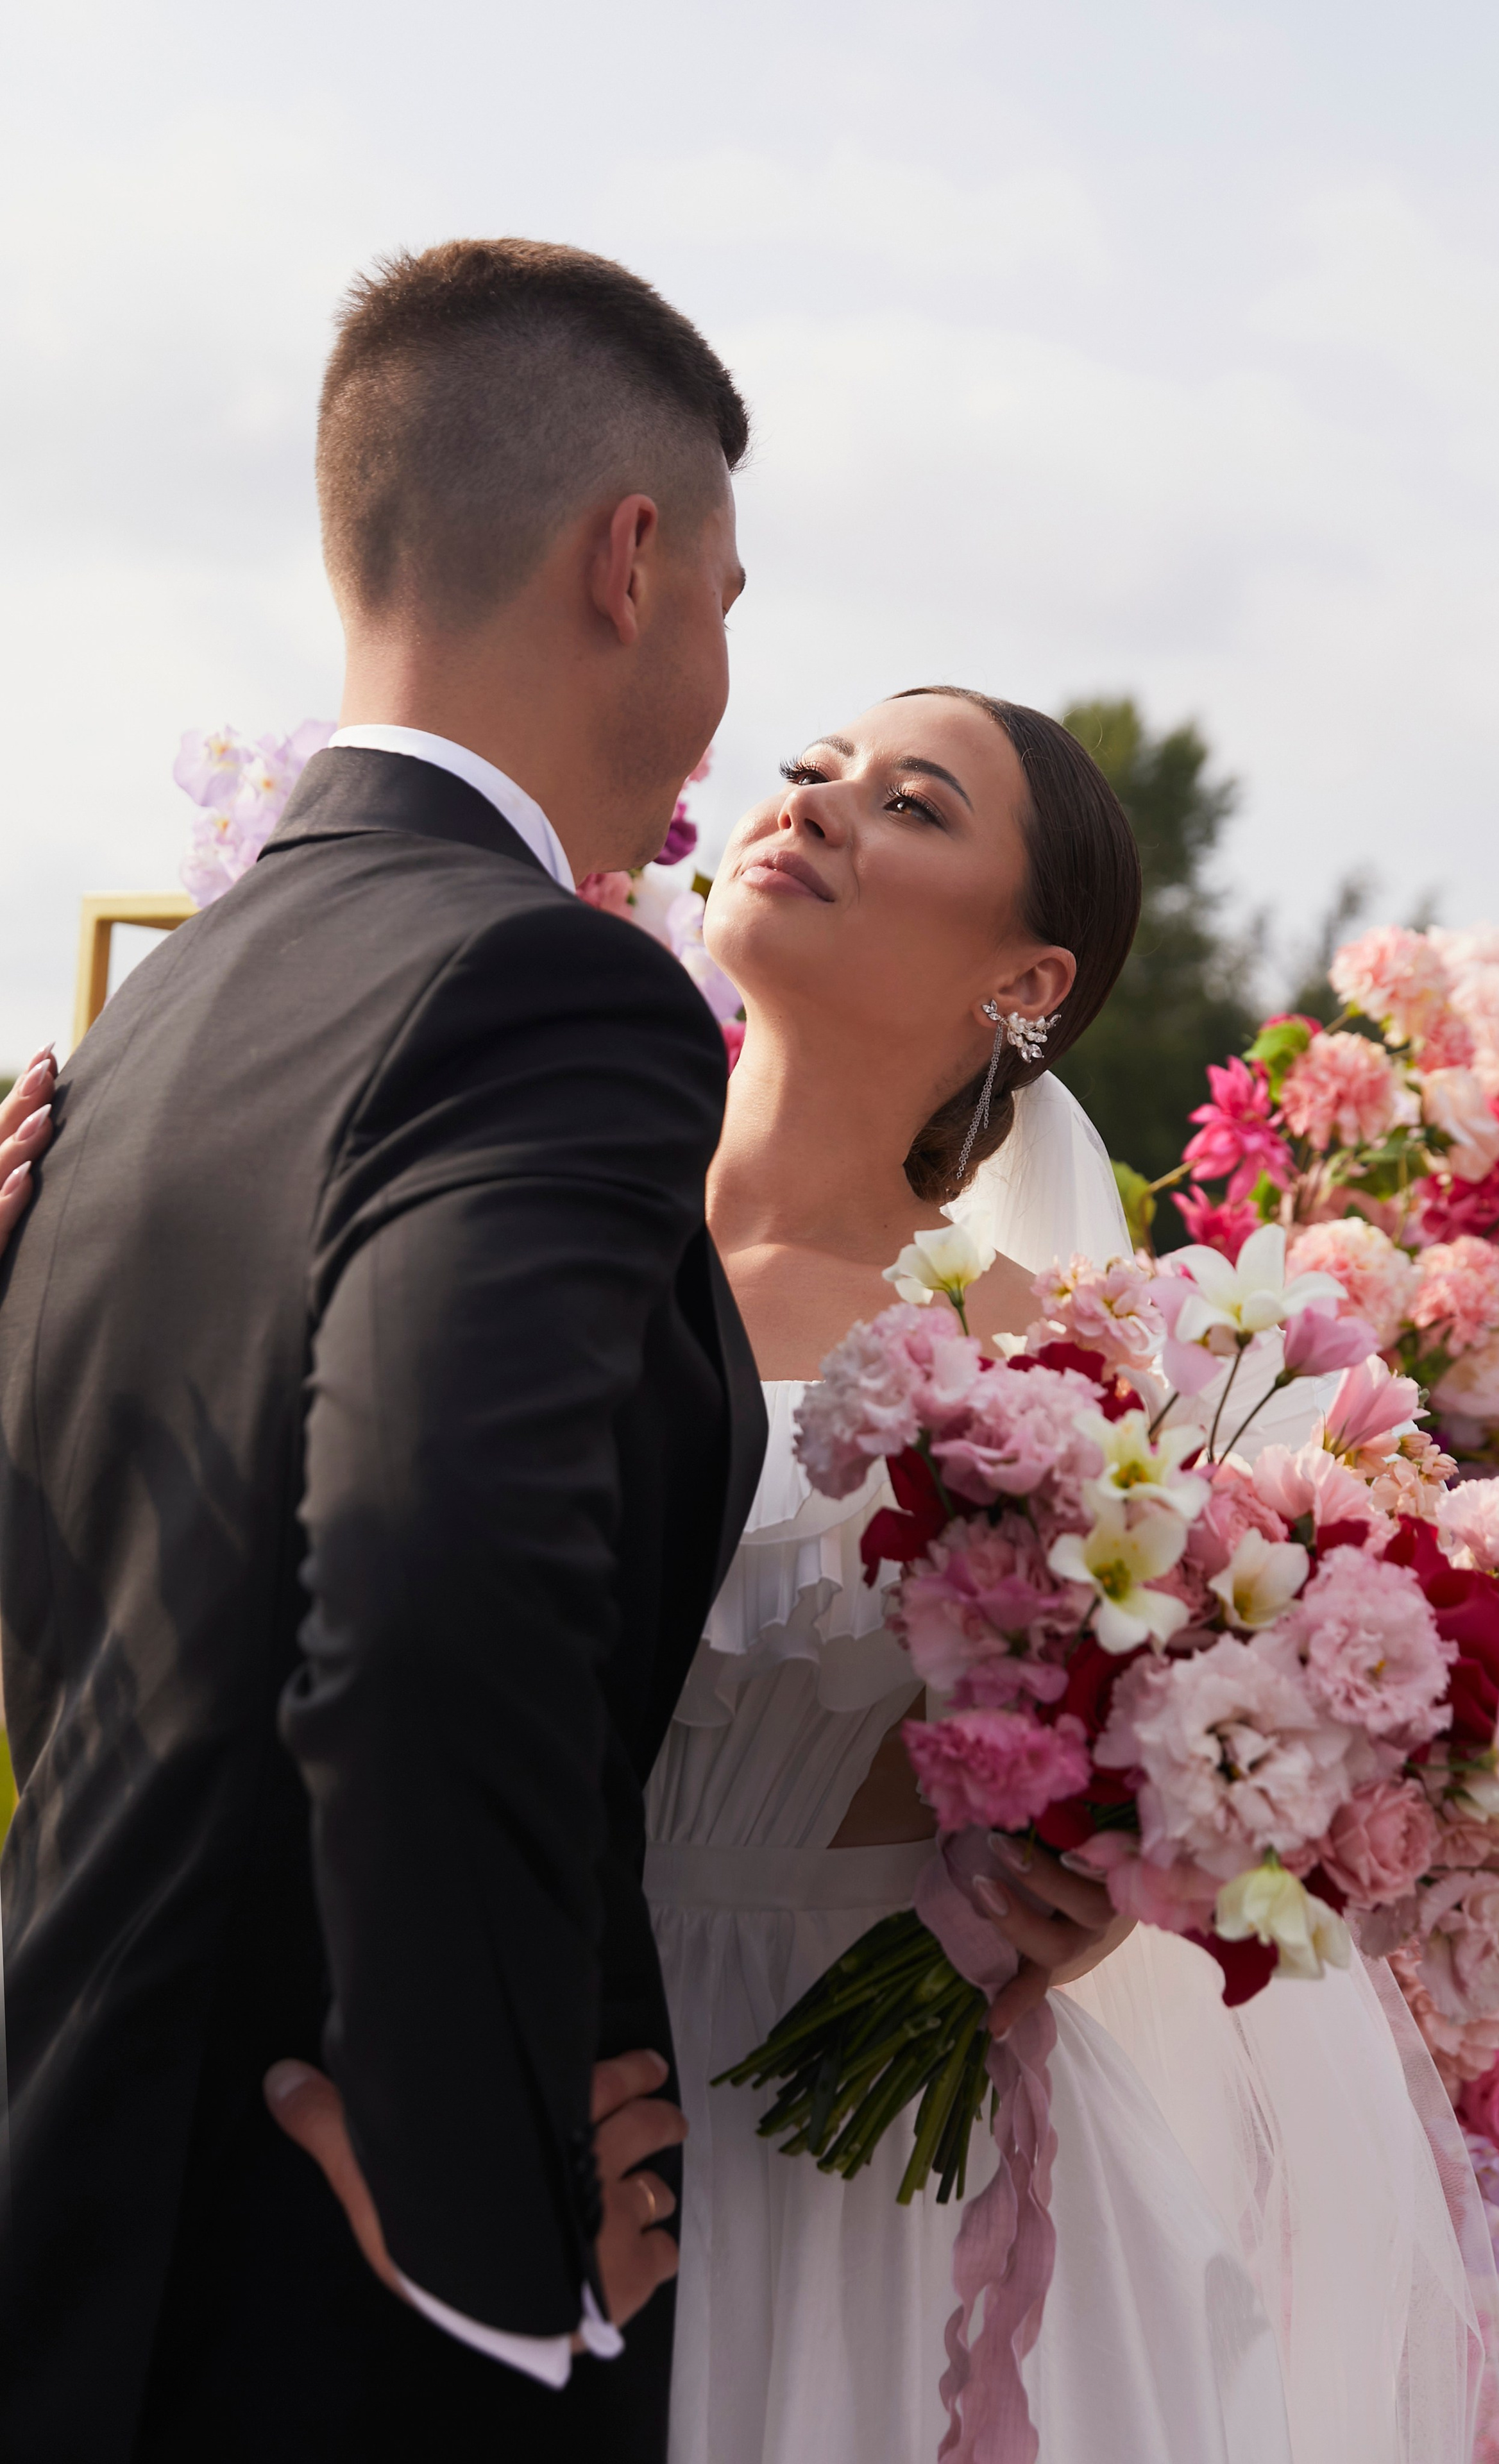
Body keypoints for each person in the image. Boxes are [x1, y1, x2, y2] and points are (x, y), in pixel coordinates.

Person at [0, 239, 767, 2464]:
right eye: (731, 591)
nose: (727, 660)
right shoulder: (550, 989)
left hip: (90, 2207)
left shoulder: (152, 1020)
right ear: (632, 562)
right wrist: (480, 2220)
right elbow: (430, 1591)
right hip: (340, 2340)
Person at [650, 686, 1499, 2464]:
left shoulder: (1050, 1364)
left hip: (874, 2168)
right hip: (560, 2062)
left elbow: (1150, 1731)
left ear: (1028, 979)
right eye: (812, 767)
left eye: (905, 800)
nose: (813, 804)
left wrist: (1101, 1875)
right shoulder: (541, 1233)